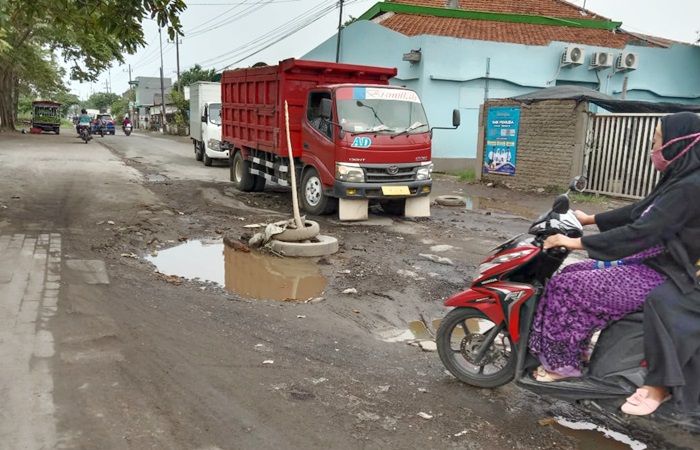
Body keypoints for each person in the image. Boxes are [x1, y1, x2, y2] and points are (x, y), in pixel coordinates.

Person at [528, 112, 700, 416]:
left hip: (664, 272)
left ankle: (563, 365)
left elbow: (643, 232)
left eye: (657, 141)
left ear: (677, 143)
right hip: (653, 261)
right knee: (574, 272)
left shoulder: (690, 186)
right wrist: (589, 219)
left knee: (570, 286)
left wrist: (573, 242)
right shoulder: (680, 178)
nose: (653, 148)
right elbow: (642, 210)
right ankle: (574, 349)